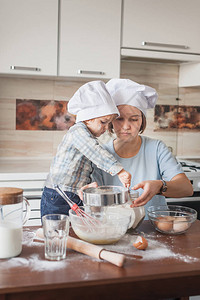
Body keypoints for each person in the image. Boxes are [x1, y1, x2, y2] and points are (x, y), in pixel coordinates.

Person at [80, 79, 193, 218]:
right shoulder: (100, 154)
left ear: (142, 121)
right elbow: (95, 204)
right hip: (114, 228)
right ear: (110, 120)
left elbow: (186, 188)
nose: (126, 126)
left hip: (153, 226)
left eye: (134, 119)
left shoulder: (156, 148)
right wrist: (89, 194)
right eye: (119, 119)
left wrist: (159, 186)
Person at [40, 80, 131, 218]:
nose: (106, 128)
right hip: (57, 196)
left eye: (109, 124)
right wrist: (119, 170)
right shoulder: (77, 132)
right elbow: (94, 152)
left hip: (73, 194)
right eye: (103, 122)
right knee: (56, 230)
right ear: (88, 118)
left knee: (73, 232)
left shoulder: (87, 135)